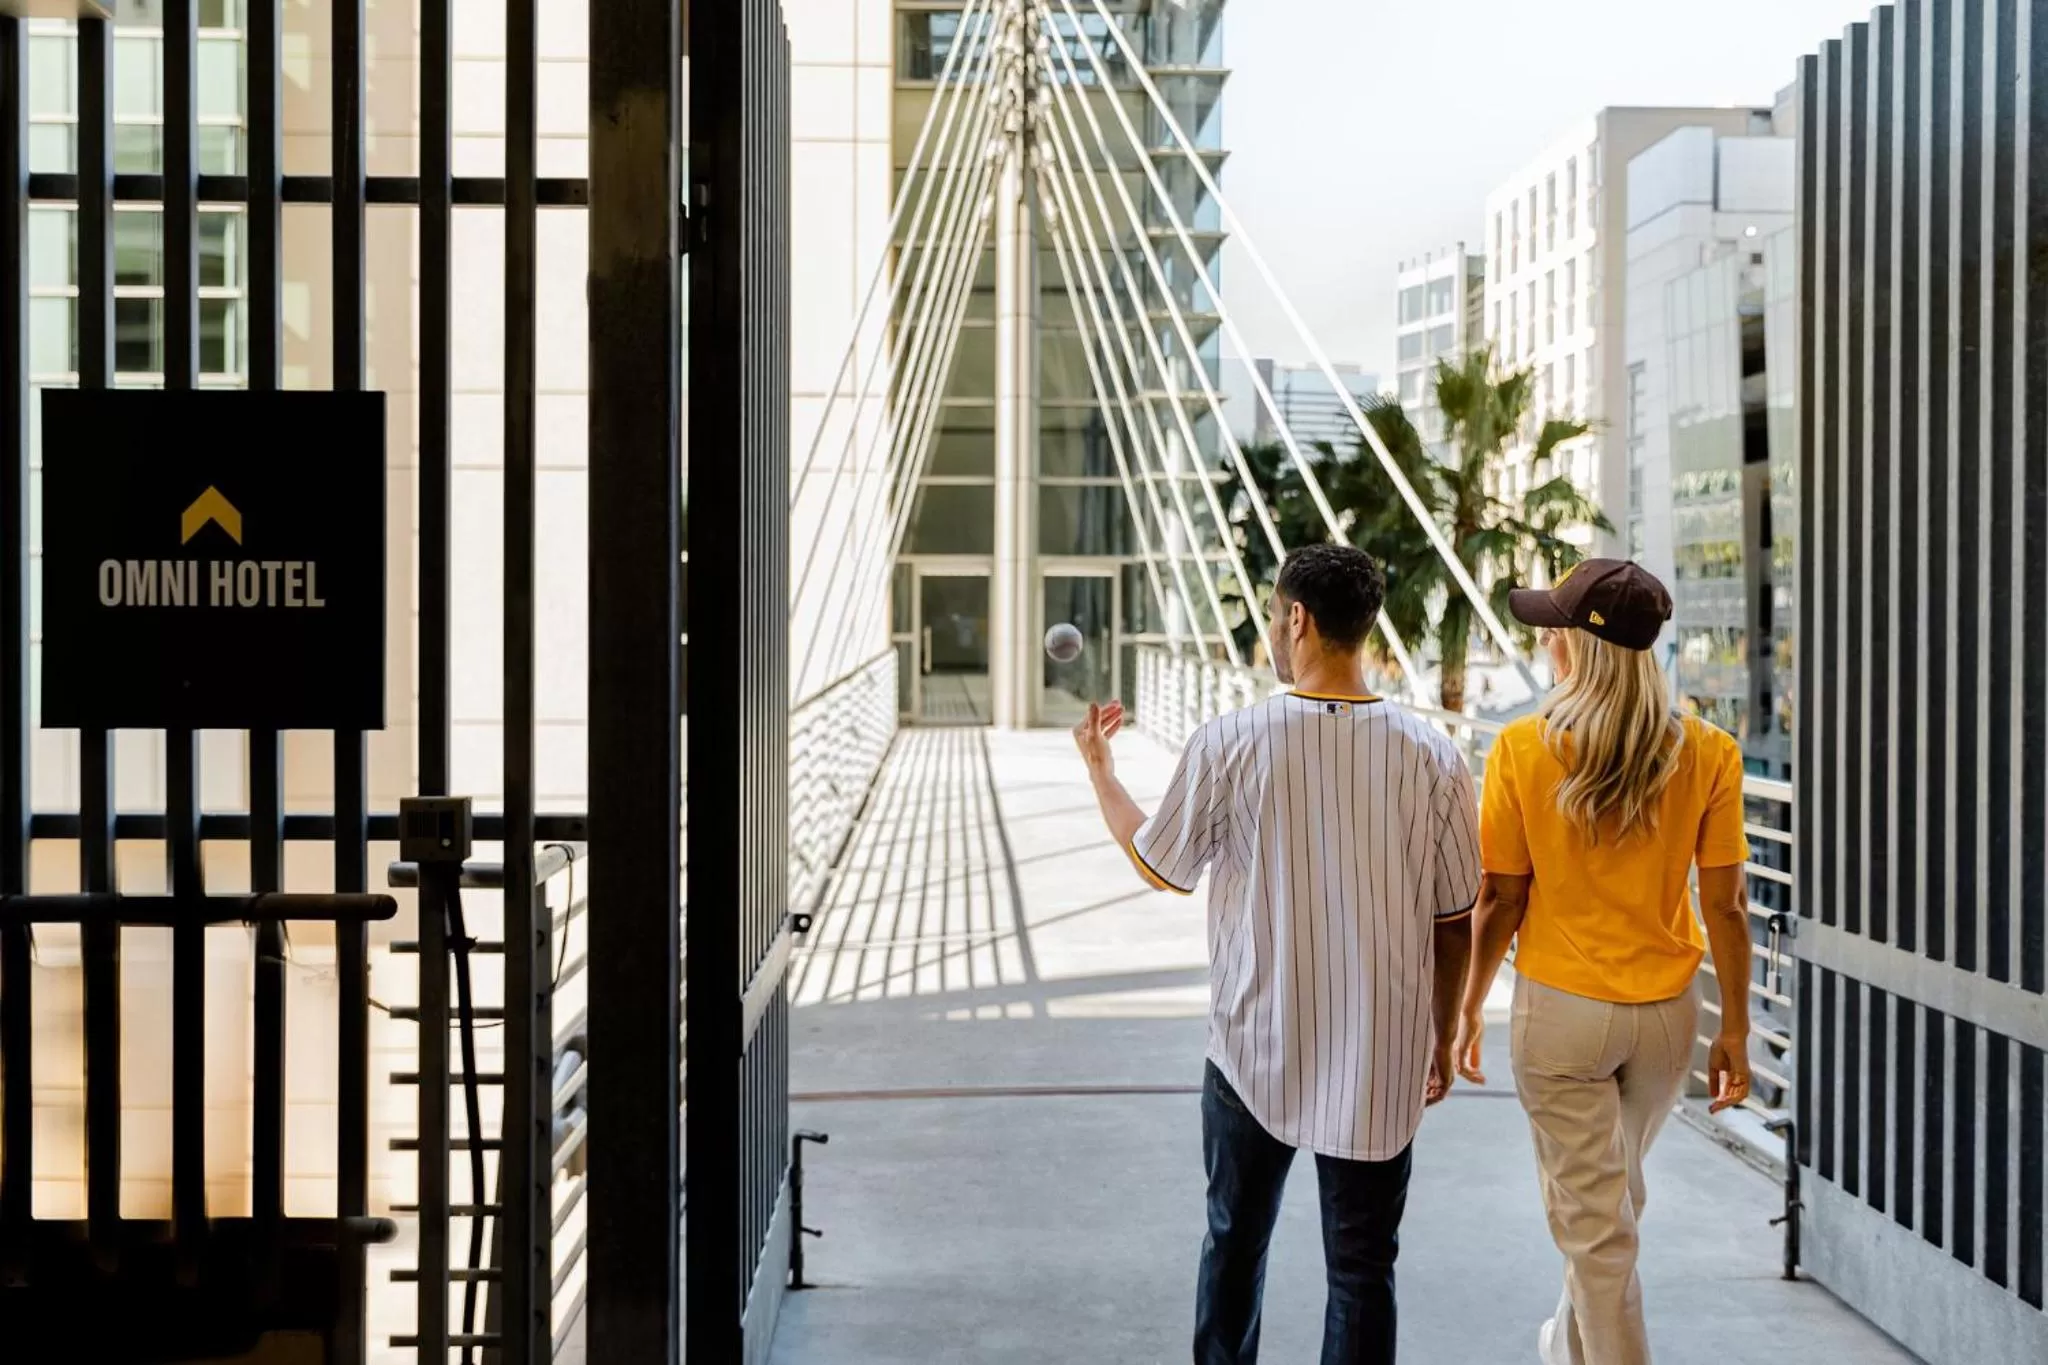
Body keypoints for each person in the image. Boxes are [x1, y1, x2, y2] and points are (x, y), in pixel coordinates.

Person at [1071, 543, 1481, 1365]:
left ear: (1298, 618)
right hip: (1378, 1057)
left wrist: (1100, 771)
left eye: (1271, 613)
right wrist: (1441, 1037)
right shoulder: (1433, 753)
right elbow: (1453, 918)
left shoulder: (1231, 740)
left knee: (1234, 1245)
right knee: (1363, 1270)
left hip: (1252, 1047)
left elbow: (1160, 864)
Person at [1451, 559, 1754, 1365]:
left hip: (1561, 1016)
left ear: (1578, 646)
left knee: (1598, 1227)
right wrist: (1736, 1027)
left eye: (1553, 630)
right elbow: (1726, 905)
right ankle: (1567, 1349)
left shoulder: (1522, 748)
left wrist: (1467, 1006)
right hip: (1667, 1020)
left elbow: (1500, 898)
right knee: (1610, 1206)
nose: (1545, 642)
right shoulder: (1710, 752)